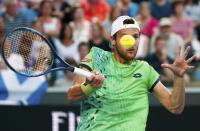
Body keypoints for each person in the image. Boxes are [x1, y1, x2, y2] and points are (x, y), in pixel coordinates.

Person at [67, 16, 195, 131]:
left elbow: (175, 107)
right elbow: (71, 95)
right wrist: (90, 86)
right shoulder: (96, 56)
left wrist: (179, 77)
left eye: (135, 37)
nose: (132, 43)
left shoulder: (144, 69)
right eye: (125, 37)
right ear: (113, 40)